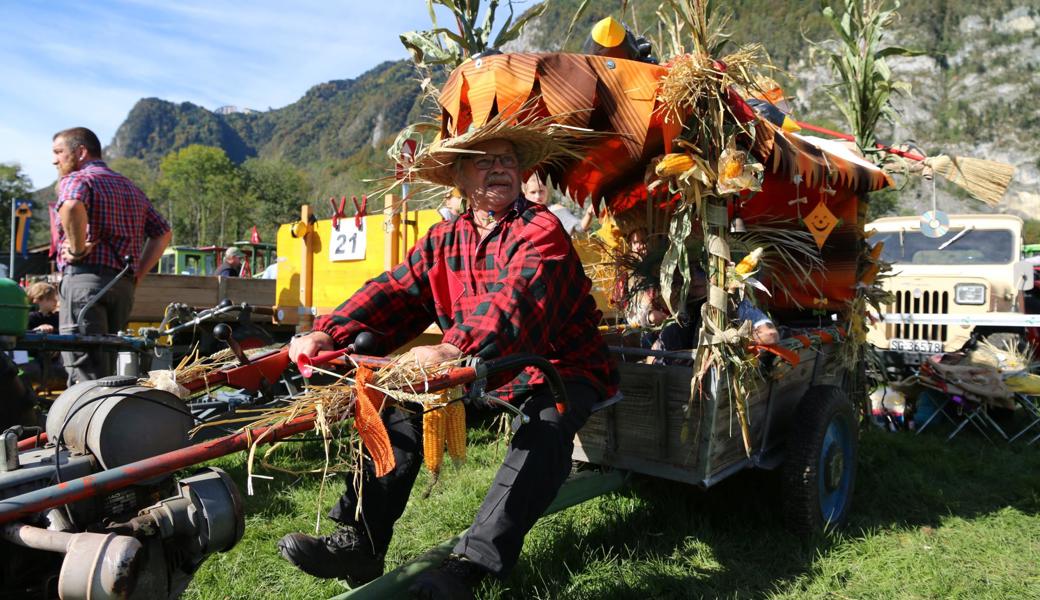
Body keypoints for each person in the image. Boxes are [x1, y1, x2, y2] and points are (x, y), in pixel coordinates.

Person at [278, 124, 618, 599]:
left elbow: (515, 301)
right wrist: (326, 330)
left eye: (508, 160)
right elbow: (394, 291)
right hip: (476, 370)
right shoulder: (443, 238)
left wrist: (453, 347)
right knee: (393, 410)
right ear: (459, 177)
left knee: (546, 429)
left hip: (556, 367)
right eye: (484, 160)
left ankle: (469, 567)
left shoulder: (541, 229)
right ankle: (360, 540)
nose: (499, 167)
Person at [53, 127, 171, 384]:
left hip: (85, 282)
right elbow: (162, 233)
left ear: (80, 151)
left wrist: (77, 250)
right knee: (107, 368)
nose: (55, 160)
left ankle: (86, 423)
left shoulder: (77, 179)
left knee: (85, 371)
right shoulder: (131, 188)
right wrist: (137, 274)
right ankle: (107, 419)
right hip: (122, 287)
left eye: (59, 152)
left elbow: (72, 205)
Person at [521, 173, 594, 235]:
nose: (538, 196)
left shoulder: (556, 210)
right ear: (525, 192)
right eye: (533, 192)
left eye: (541, 191)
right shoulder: (519, 214)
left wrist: (588, 214)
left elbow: (579, 227)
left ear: (547, 190)